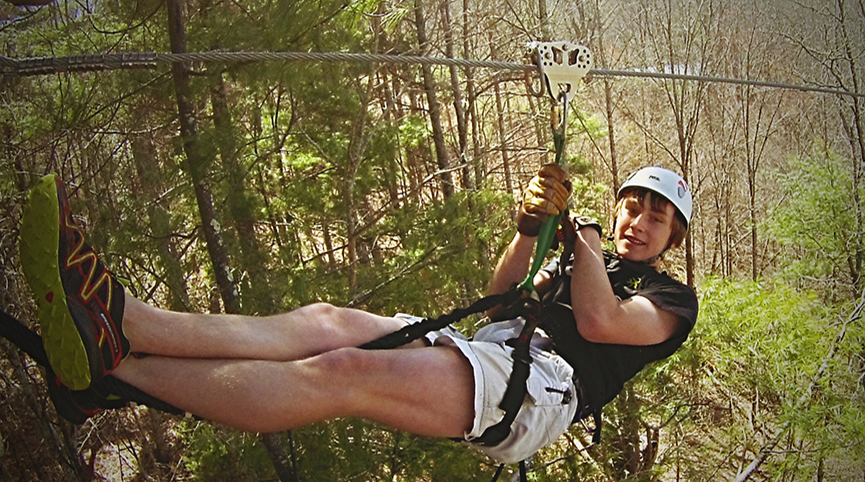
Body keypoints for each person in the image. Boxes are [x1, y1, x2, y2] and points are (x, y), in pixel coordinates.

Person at [18, 164, 697, 466]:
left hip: (535, 394)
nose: (638, 222)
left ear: (674, 238)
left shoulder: (670, 300)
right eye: (631, 207)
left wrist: (578, 238)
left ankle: (119, 371)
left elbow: (604, 324)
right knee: (326, 322)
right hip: (489, 350)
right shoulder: (586, 256)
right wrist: (528, 227)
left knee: (339, 371)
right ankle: (125, 321)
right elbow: (501, 294)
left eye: (656, 217)